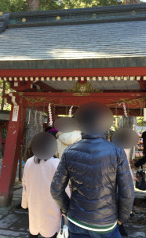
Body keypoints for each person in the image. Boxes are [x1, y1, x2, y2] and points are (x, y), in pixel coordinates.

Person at [51, 102, 134, 238]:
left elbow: (55, 189)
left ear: (79, 124)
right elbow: (127, 192)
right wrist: (122, 218)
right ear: (105, 123)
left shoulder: (69, 152)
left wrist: (69, 209)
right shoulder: (117, 152)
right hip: (105, 222)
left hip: (76, 219)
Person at [21, 133, 70, 238]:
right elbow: (63, 187)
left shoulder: (29, 162)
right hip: (51, 204)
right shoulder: (56, 163)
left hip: (34, 202)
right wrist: (66, 206)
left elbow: (25, 185)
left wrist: (25, 203)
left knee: (34, 228)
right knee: (51, 230)